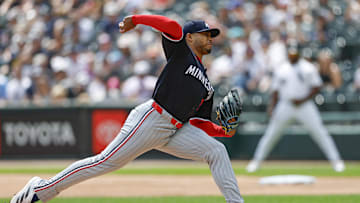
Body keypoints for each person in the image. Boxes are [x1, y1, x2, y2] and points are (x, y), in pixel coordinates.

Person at [11, 15, 244, 203]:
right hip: (152, 119)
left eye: (212, 35)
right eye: (206, 34)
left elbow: (198, 122)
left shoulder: (207, 83)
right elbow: (172, 26)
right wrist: (136, 19)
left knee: (217, 151)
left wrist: (224, 131)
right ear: (190, 37)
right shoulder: (182, 53)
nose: (211, 38)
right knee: (103, 162)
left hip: (177, 129)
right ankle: (40, 190)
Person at [246, 42, 345, 173]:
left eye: (295, 53)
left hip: (305, 106)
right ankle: (256, 162)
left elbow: (316, 87)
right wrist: (272, 107)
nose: (292, 55)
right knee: (271, 134)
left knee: (320, 133)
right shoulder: (282, 68)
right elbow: (275, 91)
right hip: (285, 105)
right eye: (291, 53)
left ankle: (336, 162)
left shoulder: (308, 67)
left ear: (299, 53)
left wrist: (303, 99)